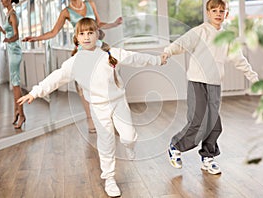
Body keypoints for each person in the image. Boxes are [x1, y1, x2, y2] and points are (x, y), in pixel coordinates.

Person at [18, 17, 167, 197]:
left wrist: (157, 60)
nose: (87, 37)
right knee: (106, 142)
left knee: (128, 137)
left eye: (90, 32)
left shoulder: (109, 53)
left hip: (118, 102)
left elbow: (134, 57)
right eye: (82, 34)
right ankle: (109, 179)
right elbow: (56, 77)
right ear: (76, 38)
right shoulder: (74, 62)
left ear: (98, 34)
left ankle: (129, 146)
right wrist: (35, 92)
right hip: (98, 107)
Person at [163, 0, 259, 175]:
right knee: (198, 121)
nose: (218, 14)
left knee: (215, 125)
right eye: (214, 10)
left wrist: (253, 78)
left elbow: (239, 59)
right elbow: (181, 44)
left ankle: (208, 157)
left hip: (215, 85)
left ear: (226, 14)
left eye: (221, 11)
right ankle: (175, 146)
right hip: (197, 82)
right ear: (208, 13)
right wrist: (168, 52)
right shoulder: (200, 31)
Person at [22, 0, 123, 133]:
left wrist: (114, 24)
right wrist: (35, 38)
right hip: (82, 52)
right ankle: (91, 121)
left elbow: (99, 24)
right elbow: (53, 32)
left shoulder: (90, 4)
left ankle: (110, 119)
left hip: (98, 49)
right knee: (83, 87)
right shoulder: (66, 12)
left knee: (106, 83)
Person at [0, 0, 26, 129]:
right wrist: (4, 32)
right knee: (14, 84)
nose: (1, 0)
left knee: (16, 86)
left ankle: (22, 115)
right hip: (11, 51)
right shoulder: (8, 14)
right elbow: (10, 33)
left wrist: (8, 39)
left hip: (15, 52)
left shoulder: (13, 15)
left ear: (9, 0)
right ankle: (16, 111)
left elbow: (16, 35)